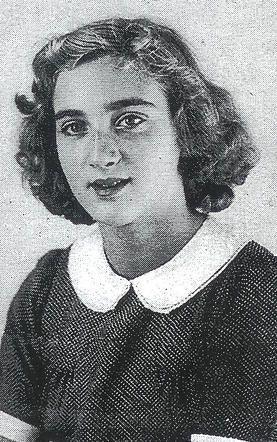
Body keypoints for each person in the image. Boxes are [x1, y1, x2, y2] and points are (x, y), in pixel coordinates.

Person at [0, 17, 276, 442]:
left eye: (129, 120)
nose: (100, 155)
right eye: (74, 127)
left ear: (186, 129)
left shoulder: (256, 294)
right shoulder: (47, 287)